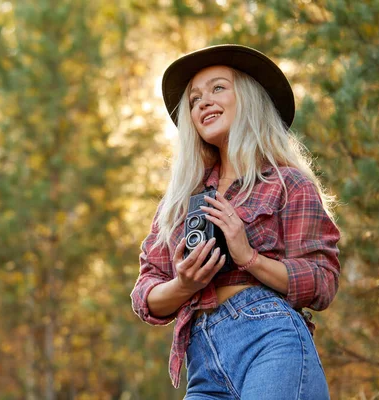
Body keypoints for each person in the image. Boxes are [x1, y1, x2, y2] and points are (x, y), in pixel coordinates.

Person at [130, 44, 341, 399]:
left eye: (217, 88)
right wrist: (184, 284)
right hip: (203, 362)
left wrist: (249, 258)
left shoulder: (287, 184)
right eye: (194, 99)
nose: (203, 103)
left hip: (270, 341)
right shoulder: (179, 203)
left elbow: (322, 279)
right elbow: (145, 293)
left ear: (248, 98)